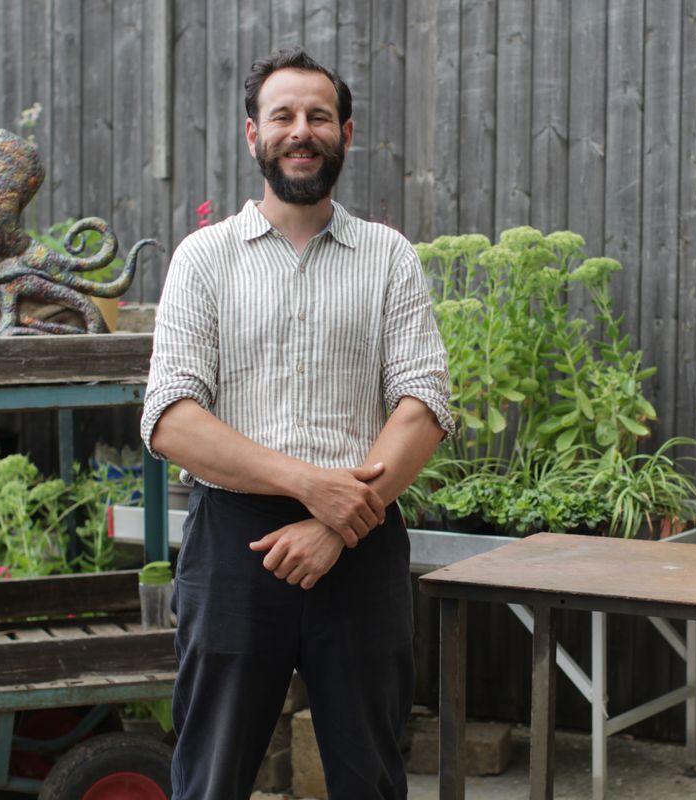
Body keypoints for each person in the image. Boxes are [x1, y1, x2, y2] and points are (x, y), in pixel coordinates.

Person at [141, 48, 452, 800]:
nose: (300, 131)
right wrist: (314, 489)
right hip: (233, 549)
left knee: (371, 778)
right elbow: (171, 419)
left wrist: (337, 523)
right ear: (254, 135)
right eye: (282, 116)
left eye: (318, 116)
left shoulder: (388, 258)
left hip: (362, 545)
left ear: (346, 132)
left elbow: (424, 404)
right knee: (211, 778)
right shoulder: (204, 260)